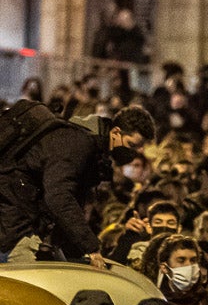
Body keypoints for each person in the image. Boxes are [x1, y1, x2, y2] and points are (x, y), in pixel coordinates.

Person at [0, 100, 154, 262]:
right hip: (13, 226)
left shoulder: (92, 150)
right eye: (132, 145)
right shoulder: (78, 144)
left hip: (20, 218)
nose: (135, 152)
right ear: (116, 133)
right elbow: (59, 197)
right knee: (30, 282)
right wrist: (91, 248)